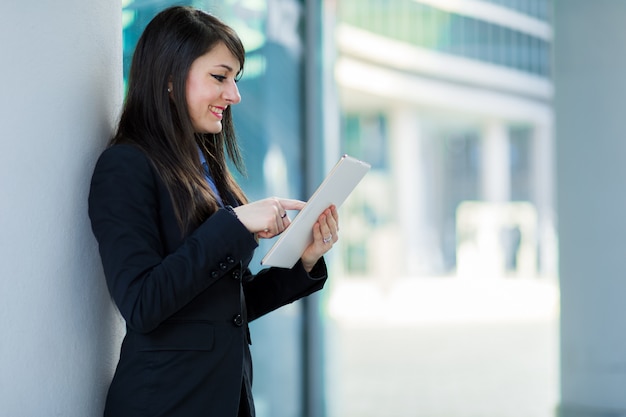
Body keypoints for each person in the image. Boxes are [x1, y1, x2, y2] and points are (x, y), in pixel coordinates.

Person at [87, 6, 338, 417]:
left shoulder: (206, 170)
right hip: (166, 404)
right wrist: (235, 223)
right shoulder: (125, 167)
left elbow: (226, 310)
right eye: (220, 77)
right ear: (169, 78)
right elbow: (142, 303)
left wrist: (303, 261)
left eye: (235, 80)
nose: (235, 95)